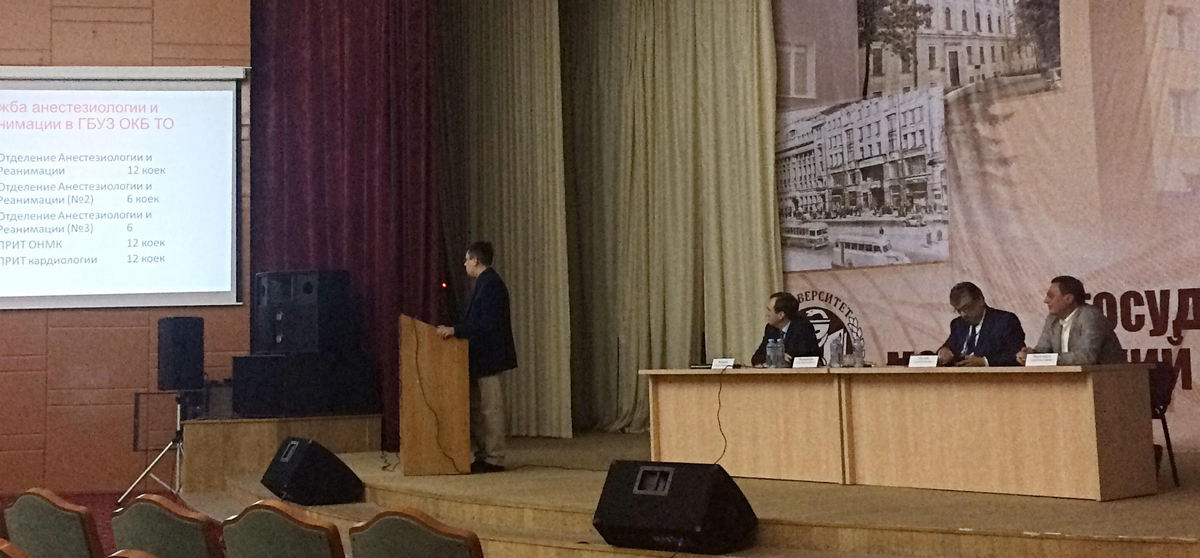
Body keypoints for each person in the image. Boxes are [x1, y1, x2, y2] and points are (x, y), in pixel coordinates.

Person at [437, 241, 517, 473]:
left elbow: (486, 324)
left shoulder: (491, 285)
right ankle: (484, 455)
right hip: (479, 358)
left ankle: (495, 458)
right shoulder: (483, 284)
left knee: (491, 409)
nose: (464, 264)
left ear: (476, 260)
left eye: (466, 260)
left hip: (489, 358)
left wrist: (456, 330)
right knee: (480, 410)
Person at [1017, 275, 1125, 365]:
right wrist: (1029, 355)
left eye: (1051, 296)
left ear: (1068, 299)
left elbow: (1087, 357)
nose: (1046, 300)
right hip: (1070, 379)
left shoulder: (1090, 316)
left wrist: (1048, 360)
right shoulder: (1052, 319)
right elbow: (1042, 350)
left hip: (1108, 379)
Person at [936, 282, 1025, 366]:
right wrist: (942, 353)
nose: (963, 314)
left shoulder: (1005, 321)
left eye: (966, 307)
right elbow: (946, 350)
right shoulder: (958, 324)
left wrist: (984, 362)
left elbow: (1017, 356)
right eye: (958, 310)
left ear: (980, 300)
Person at [751, 291, 821, 366]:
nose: (767, 314)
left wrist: (778, 359)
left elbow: (800, 358)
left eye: (769, 310)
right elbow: (756, 358)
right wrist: (776, 357)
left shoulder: (802, 328)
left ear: (781, 315)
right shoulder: (770, 329)